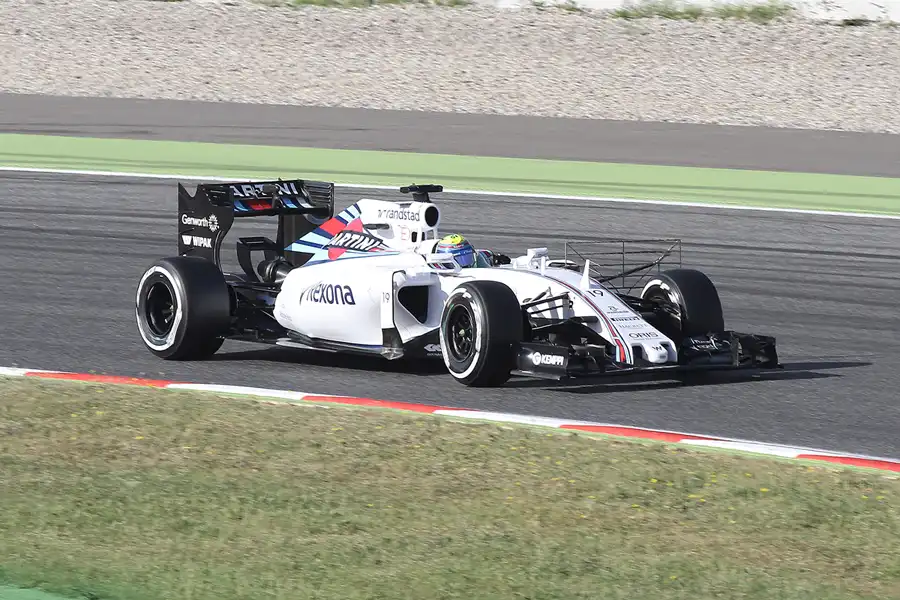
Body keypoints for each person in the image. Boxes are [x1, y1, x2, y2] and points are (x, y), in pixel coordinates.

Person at [434, 233, 510, 268]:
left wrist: (496, 259)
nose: (466, 265)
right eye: (460, 260)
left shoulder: (478, 260)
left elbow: (488, 271)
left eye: (467, 258)